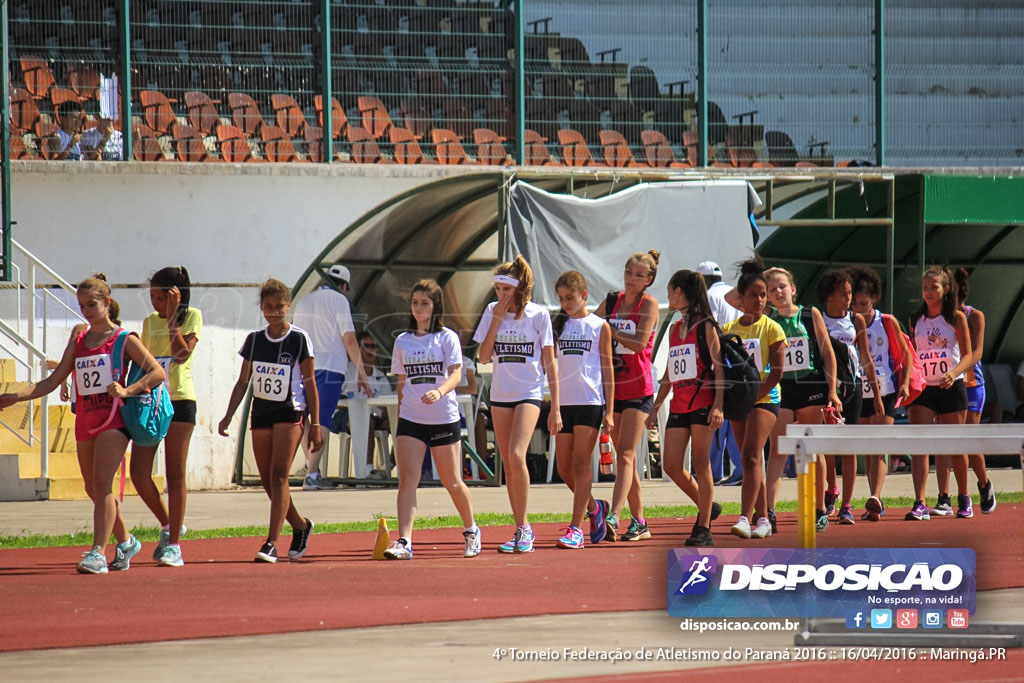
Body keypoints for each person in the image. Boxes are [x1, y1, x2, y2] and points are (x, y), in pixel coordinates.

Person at [0, 275, 166, 574]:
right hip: (86, 418)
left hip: (114, 419)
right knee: (92, 487)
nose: (87, 311)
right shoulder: (79, 340)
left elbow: (157, 373)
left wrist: (127, 390)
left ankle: (98, 553)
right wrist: (14, 396)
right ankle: (126, 542)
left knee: (103, 484)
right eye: (82, 306)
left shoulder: (124, 338)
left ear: (106, 303)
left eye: (92, 305)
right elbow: (52, 381)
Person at [218, 278, 320, 562]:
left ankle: (272, 542)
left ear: (288, 306)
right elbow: (243, 382)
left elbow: (311, 384)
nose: (274, 312)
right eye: (268, 307)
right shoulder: (254, 340)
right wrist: (228, 415)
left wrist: (317, 425)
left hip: (290, 411)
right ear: (262, 309)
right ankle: (300, 526)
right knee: (267, 481)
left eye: (279, 306)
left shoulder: (299, 339)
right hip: (261, 411)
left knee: (279, 476)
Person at [383, 279, 480, 559]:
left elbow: (456, 375)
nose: (418, 308)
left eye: (424, 303)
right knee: (407, 481)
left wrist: (439, 391)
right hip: (411, 420)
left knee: (451, 481)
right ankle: (404, 541)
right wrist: (401, 415)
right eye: (415, 302)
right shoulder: (403, 341)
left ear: (435, 306)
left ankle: (471, 530)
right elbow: (402, 382)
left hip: (443, 418)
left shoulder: (447, 337)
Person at [474, 256, 560, 553]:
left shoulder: (538, 315)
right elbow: (483, 357)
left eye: (504, 288)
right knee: (509, 464)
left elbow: (550, 362)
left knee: (515, 453)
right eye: (496, 288)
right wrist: (497, 319)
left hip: (529, 392)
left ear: (518, 288)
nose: (499, 294)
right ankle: (520, 526)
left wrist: (556, 406)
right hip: (501, 394)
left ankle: (525, 529)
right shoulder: (490, 311)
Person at [130, 266, 202, 567]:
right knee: (138, 472)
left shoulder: (192, 316)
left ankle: (174, 545)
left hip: (180, 399)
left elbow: (182, 354)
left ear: (176, 295)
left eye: (160, 298)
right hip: (151, 400)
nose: (154, 304)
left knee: (175, 473)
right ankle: (169, 524)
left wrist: (172, 319)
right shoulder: (148, 322)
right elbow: (143, 360)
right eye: (151, 297)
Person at [647, 269, 725, 547]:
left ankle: (703, 527)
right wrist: (657, 406)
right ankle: (708, 505)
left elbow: (719, 369)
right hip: (680, 402)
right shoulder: (675, 327)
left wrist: (718, 405)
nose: (668, 297)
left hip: (703, 402)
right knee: (671, 465)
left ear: (680, 292)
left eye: (669, 292)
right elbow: (671, 368)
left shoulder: (706, 325)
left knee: (701, 463)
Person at [763, 267, 840, 534]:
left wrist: (832, 391)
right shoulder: (767, 318)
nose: (778, 292)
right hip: (782, 388)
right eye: (772, 289)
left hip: (810, 387)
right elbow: (733, 297)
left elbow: (828, 354)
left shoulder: (809, 314)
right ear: (768, 296)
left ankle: (819, 509)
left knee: (811, 448)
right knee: (778, 448)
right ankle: (768, 511)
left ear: (793, 289)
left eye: (782, 286)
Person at [594, 250, 660, 542]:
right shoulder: (612, 302)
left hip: (639, 389)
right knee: (626, 459)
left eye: (638, 275)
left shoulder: (649, 304)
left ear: (649, 279)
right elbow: (590, 326)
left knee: (626, 455)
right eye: (627, 272)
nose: (631, 279)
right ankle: (640, 522)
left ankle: (613, 515)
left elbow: (639, 343)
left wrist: (610, 332)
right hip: (614, 389)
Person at [291, 263, 370, 491]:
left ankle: (311, 467)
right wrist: (361, 373)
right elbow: (349, 339)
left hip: (303, 366)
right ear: (344, 285)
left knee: (305, 417)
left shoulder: (304, 301)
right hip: (330, 368)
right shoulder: (339, 300)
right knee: (322, 418)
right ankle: (313, 475)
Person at [722, 256, 785, 540]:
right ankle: (764, 518)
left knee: (750, 455)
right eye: (753, 295)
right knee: (751, 462)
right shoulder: (729, 330)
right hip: (738, 400)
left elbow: (777, 372)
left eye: (763, 295)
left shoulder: (772, 328)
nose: (759, 300)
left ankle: (745, 518)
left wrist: (753, 396)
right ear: (741, 299)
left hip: (764, 397)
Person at [551, 270, 614, 549]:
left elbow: (607, 369)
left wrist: (610, 411)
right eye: (562, 298)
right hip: (563, 402)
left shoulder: (599, 325)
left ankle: (575, 529)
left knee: (580, 464)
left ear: (584, 295)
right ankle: (594, 507)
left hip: (590, 401)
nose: (566, 303)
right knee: (563, 468)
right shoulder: (558, 324)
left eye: (571, 298)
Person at [906, 266, 974, 521]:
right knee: (920, 445)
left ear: (945, 289)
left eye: (933, 287)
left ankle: (964, 497)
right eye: (924, 287)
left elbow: (968, 355)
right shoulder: (916, 320)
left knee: (955, 445)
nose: (928, 292)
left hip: (950, 387)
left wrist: (953, 372)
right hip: (924, 388)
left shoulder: (956, 318)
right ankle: (920, 502)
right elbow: (912, 354)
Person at [818, 268, 884, 524]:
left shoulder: (855, 320)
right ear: (829, 296)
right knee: (825, 446)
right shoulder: (818, 319)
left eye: (850, 293)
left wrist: (875, 393)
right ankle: (831, 489)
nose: (848, 299)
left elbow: (865, 358)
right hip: (825, 388)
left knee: (849, 446)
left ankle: (847, 504)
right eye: (843, 294)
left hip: (852, 388)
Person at [848, 265, 913, 521]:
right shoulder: (848, 322)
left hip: (884, 388)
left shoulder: (885, 321)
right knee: (867, 447)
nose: (859, 309)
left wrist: (905, 383)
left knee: (879, 444)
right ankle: (871, 501)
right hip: (857, 388)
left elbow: (906, 354)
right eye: (855, 304)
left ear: (874, 299)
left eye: (864, 303)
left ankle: (876, 495)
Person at [953, 267, 996, 513]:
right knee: (954, 443)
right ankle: (962, 496)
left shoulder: (974, 315)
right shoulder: (941, 316)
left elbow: (977, 352)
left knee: (968, 439)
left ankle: (984, 482)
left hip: (971, 384)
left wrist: (959, 368)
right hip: (949, 385)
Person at [698, 261, 743, 486]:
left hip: (721, 358)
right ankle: (740, 468)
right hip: (741, 359)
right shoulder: (734, 293)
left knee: (717, 420)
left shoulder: (708, 297)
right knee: (737, 416)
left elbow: (711, 328)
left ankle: (714, 471)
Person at [339, 331, 392, 476]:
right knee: (366, 421)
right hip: (344, 416)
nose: (370, 350)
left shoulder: (381, 377)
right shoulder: (346, 370)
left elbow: (387, 406)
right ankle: (367, 470)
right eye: (366, 346)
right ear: (357, 348)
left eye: (373, 346)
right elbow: (337, 399)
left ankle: (388, 465)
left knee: (401, 423)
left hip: (375, 416)